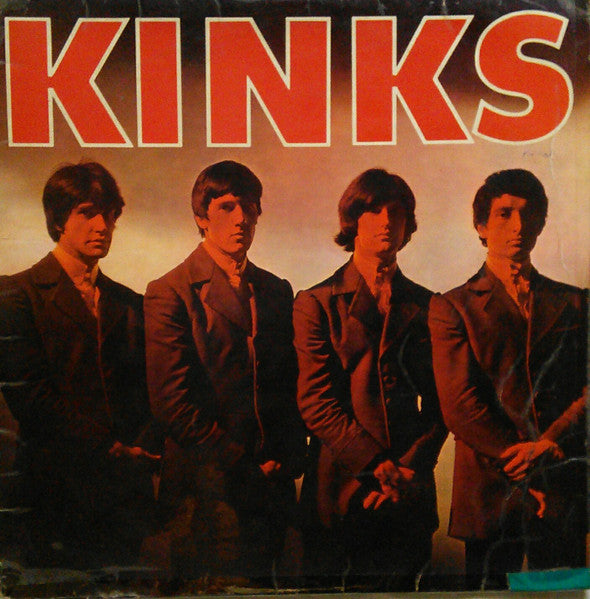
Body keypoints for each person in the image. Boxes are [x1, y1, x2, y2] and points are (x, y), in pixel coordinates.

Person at [144, 160, 306, 589]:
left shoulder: (276, 289)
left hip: (271, 490)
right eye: (227, 207)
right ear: (201, 217)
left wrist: (286, 458)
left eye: (249, 207)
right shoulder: (169, 291)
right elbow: (172, 404)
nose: (241, 218)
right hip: (207, 491)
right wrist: (245, 465)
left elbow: (289, 385)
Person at [428, 169, 587, 589]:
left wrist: (550, 445)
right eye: (504, 214)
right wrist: (528, 462)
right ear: (481, 226)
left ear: (541, 224)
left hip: (562, 488)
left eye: (528, 214)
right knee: (488, 595)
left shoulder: (575, 301)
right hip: (490, 493)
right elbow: (459, 406)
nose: (518, 225)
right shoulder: (452, 306)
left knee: (565, 593)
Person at [0, 161, 160, 569]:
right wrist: (109, 447)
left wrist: (139, 448)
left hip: (122, 497)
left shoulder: (129, 302)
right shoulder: (16, 293)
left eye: (109, 214)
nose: (102, 225)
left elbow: (146, 390)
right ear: (58, 220)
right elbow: (30, 396)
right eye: (87, 212)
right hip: (52, 493)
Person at [293, 168, 447, 591]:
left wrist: (408, 469)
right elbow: (315, 402)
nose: (386, 221)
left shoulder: (430, 305)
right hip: (336, 491)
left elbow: (443, 404)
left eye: (396, 213)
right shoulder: (315, 302)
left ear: (408, 225)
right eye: (374, 210)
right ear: (352, 220)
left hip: (408, 493)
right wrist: (378, 466)